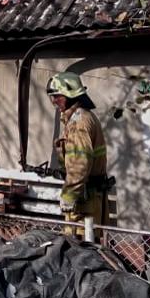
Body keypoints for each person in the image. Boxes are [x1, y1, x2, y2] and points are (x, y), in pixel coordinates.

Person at [46, 71, 109, 237]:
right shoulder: (84, 117)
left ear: (70, 95)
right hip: (88, 201)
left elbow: (79, 163)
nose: (54, 101)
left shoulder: (78, 123)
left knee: (83, 255)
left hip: (84, 206)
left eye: (57, 96)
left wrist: (69, 195)